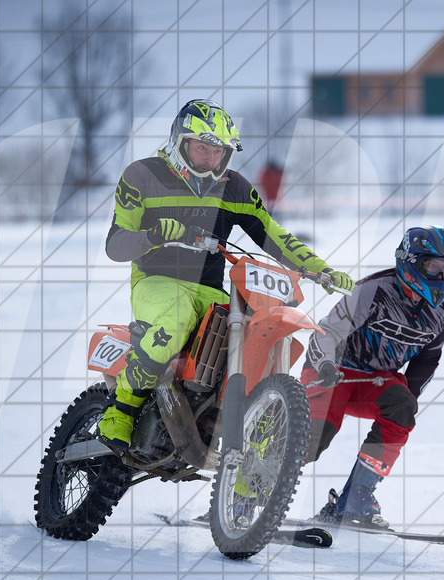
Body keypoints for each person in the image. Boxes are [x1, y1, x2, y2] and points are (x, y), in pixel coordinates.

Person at [97, 99, 354, 450]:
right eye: (202, 148)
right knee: (176, 319)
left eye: (218, 151)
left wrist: (320, 269)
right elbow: (115, 245)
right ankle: (121, 410)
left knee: (254, 332)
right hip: (155, 282)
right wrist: (154, 235)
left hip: (210, 290)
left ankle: (249, 436)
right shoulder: (142, 176)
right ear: (180, 142)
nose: (210, 159)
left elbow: (272, 233)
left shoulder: (235, 188)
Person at [301, 226, 444, 529]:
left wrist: (407, 402)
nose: (442, 277)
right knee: (313, 441)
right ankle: (251, 485)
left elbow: (426, 361)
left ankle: (356, 498)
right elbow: (327, 332)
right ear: (410, 262)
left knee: (403, 407)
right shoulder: (372, 290)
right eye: (434, 267)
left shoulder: (442, 314)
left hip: (375, 382)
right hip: (331, 373)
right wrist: (325, 366)